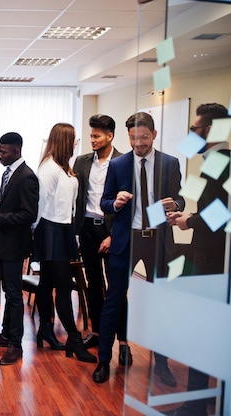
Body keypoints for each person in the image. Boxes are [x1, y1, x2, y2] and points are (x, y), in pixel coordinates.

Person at [93, 112, 184, 384]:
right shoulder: (119, 164)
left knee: (159, 303)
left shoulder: (170, 163)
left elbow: (179, 198)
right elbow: (105, 203)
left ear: (154, 135)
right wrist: (116, 203)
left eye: (144, 137)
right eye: (133, 138)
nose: (139, 143)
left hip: (158, 240)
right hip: (126, 239)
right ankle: (103, 361)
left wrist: (175, 205)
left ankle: (162, 364)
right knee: (113, 301)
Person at [165, 102, 230, 416]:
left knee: (202, 334)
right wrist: (189, 214)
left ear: (212, 130)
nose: (190, 134)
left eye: (195, 129)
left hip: (212, 259)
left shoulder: (220, 161)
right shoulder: (216, 161)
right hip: (211, 255)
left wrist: (189, 222)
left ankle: (194, 406)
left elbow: (221, 214)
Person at [33, 123, 96, 363]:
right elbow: (40, 205)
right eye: (73, 140)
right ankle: (74, 337)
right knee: (62, 284)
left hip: (63, 228)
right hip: (50, 229)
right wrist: (36, 234)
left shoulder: (63, 167)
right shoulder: (49, 169)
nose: (76, 144)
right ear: (64, 141)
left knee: (47, 282)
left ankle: (46, 329)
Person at [0, 132, 39, 366]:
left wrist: (0, 216)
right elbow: (11, 207)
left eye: (3, 152)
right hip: (5, 243)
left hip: (15, 246)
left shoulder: (26, 177)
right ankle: (6, 335)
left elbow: (29, 214)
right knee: (8, 292)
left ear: (16, 151)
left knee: (14, 296)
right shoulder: (9, 173)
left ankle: (15, 345)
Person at [72, 115, 123, 350]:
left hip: (112, 231)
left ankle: (123, 342)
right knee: (93, 283)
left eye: (97, 136)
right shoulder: (81, 162)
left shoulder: (124, 162)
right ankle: (96, 332)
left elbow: (129, 205)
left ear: (110, 136)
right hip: (87, 229)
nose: (92, 140)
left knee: (116, 287)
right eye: (91, 135)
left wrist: (113, 235)